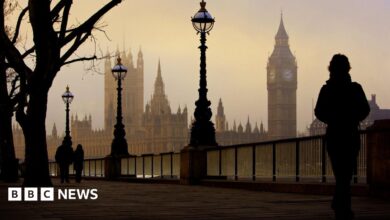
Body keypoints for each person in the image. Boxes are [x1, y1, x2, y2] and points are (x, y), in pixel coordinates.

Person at [315, 54, 370, 220]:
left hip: (334, 136)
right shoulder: (355, 88)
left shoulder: (326, 89)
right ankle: (343, 208)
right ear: (348, 68)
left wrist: (332, 119)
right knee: (345, 174)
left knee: (340, 173)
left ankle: (340, 205)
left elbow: (318, 111)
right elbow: (365, 109)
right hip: (351, 134)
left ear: (330, 69)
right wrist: (353, 118)